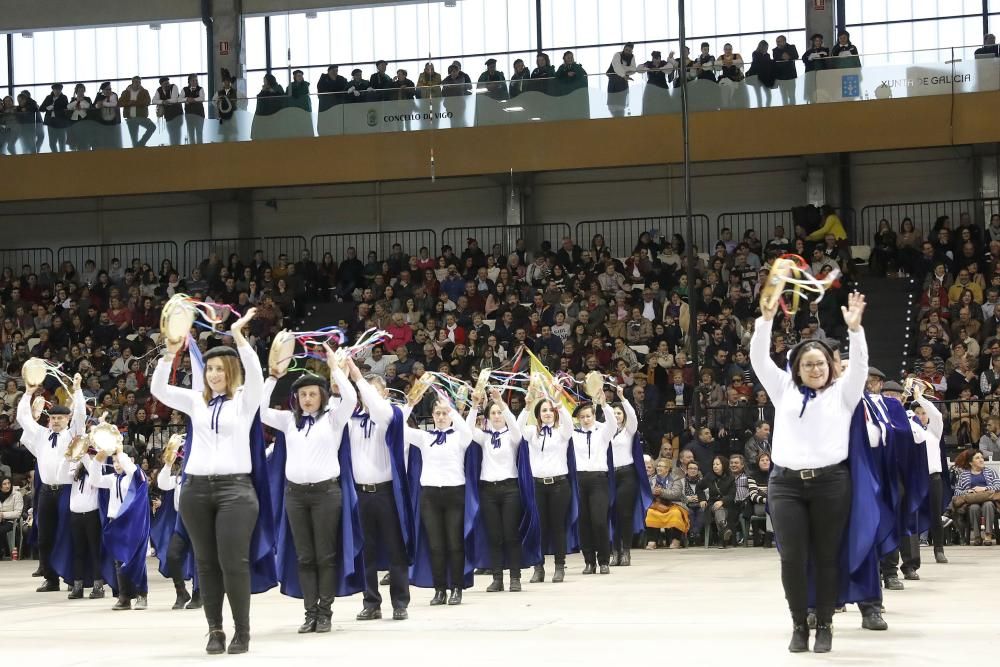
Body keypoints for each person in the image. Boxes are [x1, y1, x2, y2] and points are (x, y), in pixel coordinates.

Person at [750, 291, 868, 653]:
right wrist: (765, 322)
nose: (815, 369)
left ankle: (827, 624)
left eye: (820, 364)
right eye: (807, 364)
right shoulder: (783, 390)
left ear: (830, 366)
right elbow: (758, 359)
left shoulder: (843, 394)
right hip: (785, 485)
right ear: (796, 368)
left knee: (826, 555)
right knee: (792, 557)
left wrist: (855, 331)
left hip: (831, 483)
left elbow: (861, 366)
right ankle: (799, 623)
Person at [151, 308, 269, 655]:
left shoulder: (245, 401)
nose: (214, 373)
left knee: (234, 561)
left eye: (220, 369)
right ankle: (214, 630)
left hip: (236, 490)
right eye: (210, 368)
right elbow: (159, 388)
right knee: (205, 563)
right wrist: (170, 353)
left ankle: (242, 632)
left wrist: (239, 336)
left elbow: (258, 375)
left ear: (230, 371)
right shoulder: (194, 401)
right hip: (196, 490)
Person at [263, 344, 358, 633]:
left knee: (325, 555)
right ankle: (310, 612)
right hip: (295, 495)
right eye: (302, 394)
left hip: (326, 494)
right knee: (304, 556)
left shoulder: (333, 419)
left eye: (312, 394)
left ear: (322, 397)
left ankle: (325, 612)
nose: (307, 399)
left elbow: (352, 398)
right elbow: (256, 410)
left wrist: (335, 370)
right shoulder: (288, 421)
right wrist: (272, 377)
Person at [344, 359, 413, 622]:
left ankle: (400, 602)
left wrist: (358, 376)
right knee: (366, 550)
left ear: (384, 393)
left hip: (386, 492)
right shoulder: (352, 420)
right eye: (365, 392)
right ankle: (371, 602)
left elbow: (377, 408)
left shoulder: (389, 416)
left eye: (374, 391)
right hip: (360, 493)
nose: (367, 396)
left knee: (395, 548)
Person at [16, 373, 85, 592]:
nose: (56, 421)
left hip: (67, 490)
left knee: (69, 533)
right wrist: (27, 393)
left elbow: (81, 416)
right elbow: (23, 418)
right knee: (45, 535)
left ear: (67, 420)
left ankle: (73, 578)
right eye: (53, 418)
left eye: (60, 418)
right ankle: (50, 578)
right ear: (50, 420)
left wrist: (77, 390)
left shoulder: (73, 434)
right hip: (46, 491)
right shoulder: (41, 435)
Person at [404, 397, 474, 606]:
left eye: (445, 413)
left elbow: (468, 431)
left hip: (454, 493)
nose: (442, 417)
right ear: (432, 416)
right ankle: (439, 589)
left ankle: (457, 588)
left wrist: (452, 409)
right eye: (438, 413)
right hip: (430, 495)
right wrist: (409, 404)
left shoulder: (459, 437)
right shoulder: (425, 437)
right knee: (436, 546)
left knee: (454, 543)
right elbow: (399, 428)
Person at [466, 387, 529, 592]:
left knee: (510, 534)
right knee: (494, 536)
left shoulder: (512, 436)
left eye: (499, 412)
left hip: (510, 488)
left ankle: (515, 578)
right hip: (488, 491)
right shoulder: (484, 437)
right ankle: (497, 578)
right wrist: (475, 405)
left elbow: (515, 426)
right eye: (492, 413)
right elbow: (467, 431)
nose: (496, 416)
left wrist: (501, 403)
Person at [518, 387, 575, 584]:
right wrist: (526, 406)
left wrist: (559, 402)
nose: (548, 413)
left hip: (559, 485)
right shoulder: (532, 432)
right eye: (544, 410)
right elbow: (516, 429)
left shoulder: (562, 433)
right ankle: (538, 567)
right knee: (539, 528)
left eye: (551, 410)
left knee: (558, 527)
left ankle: (559, 567)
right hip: (537, 486)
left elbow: (569, 423)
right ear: (538, 415)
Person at [85, 440, 149, 611]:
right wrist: (99, 458)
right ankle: (124, 596)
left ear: (131, 460)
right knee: (118, 561)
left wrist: (120, 452)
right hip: (115, 523)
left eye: (119, 461)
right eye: (113, 461)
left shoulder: (137, 475)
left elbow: (130, 469)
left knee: (135, 560)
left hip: (133, 524)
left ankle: (142, 594)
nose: (116, 464)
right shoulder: (112, 479)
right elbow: (95, 479)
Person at [570, 395, 615, 575]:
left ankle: (603, 560)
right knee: (584, 522)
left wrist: (604, 404)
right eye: (582, 417)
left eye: (588, 416)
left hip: (598, 479)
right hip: (580, 479)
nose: (586, 420)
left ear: (594, 415)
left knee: (599, 521)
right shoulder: (573, 433)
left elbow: (612, 423)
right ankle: (589, 561)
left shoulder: (602, 431)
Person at [152, 445, 201, 610]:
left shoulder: (202, 475)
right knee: (172, 555)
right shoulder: (179, 477)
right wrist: (167, 464)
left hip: (199, 519)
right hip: (182, 520)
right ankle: (181, 592)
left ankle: (198, 593)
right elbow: (163, 483)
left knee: (199, 559)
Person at [54, 447, 106, 600]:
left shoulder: (97, 470)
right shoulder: (77, 472)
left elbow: (94, 471)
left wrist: (85, 457)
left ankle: (98, 586)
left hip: (92, 515)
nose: (86, 455)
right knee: (78, 551)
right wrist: (67, 457)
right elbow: (60, 477)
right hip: (75, 516)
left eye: (90, 453)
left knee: (94, 550)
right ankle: (78, 586)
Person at [608, 386, 652, 564]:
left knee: (625, 514)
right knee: (611, 513)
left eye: (619, 413)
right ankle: (614, 550)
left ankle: (626, 550)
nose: (617, 416)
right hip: (610, 475)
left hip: (627, 474)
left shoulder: (629, 430)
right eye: (614, 413)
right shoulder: (605, 431)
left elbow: (633, 417)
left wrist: (622, 397)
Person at [911, 384, 950, 564]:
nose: (921, 416)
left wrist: (920, 398)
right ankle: (911, 552)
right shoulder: (910, 431)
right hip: (914, 478)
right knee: (912, 513)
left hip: (933, 477)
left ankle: (939, 549)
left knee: (935, 513)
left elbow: (937, 415)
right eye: (917, 413)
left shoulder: (934, 431)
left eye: (923, 413)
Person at [954, 450, 999, 545]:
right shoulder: (964, 474)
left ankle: (988, 535)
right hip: (972, 501)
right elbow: (957, 491)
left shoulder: (990, 471)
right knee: (974, 507)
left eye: (982, 457)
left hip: (988, 499)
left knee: (988, 505)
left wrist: (984, 488)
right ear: (971, 462)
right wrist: (967, 491)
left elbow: (998, 486)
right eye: (978, 458)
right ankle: (977, 536)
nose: (981, 460)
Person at [643, 458, 689, 548]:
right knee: (651, 513)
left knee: (676, 513)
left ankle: (676, 540)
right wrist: (653, 491)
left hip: (674, 504)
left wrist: (662, 492)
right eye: (658, 466)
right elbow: (646, 492)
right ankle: (652, 541)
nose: (658, 468)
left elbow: (676, 494)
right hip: (658, 505)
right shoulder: (653, 479)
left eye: (661, 466)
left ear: (667, 469)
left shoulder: (675, 479)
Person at [696, 456, 736, 548]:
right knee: (718, 508)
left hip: (728, 505)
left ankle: (723, 530)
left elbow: (732, 495)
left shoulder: (731, 478)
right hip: (712, 504)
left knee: (720, 509)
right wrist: (702, 499)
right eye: (713, 464)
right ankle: (724, 533)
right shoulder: (709, 476)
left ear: (724, 465)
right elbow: (699, 487)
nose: (715, 466)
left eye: (717, 464)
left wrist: (722, 501)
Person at [119, 76, 156, 148]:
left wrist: (135, 103)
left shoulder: (144, 91)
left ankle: (140, 144)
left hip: (140, 117)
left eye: (139, 82)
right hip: (130, 118)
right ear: (132, 83)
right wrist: (129, 103)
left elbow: (148, 102)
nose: (138, 84)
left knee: (152, 127)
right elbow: (120, 103)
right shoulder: (126, 92)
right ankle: (139, 146)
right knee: (134, 138)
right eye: (136, 82)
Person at [606, 42, 638, 117]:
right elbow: (617, 67)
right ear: (623, 49)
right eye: (626, 50)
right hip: (613, 81)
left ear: (632, 51)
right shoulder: (617, 55)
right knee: (612, 105)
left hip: (623, 82)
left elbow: (633, 69)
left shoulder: (632, 57)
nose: (627, 52)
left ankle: (621, 121)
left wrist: (622, 68)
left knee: (621, 105)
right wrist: (624, 73)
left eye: (629, 51)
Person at [152, 76, 183, 146]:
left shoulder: (174, 86)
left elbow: (175, 99)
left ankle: (178, 148)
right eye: (165, 83)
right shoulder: (159, 90)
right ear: (161, 85)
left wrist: (163, 101)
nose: (167, 85)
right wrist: (163, 102)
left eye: (168, 83)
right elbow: (153, 101)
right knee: (171, 133)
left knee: (178, 133)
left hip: (178, 114)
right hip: (168, 115)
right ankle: (173, 148)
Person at [40, 83, 70, 152]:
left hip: (61, 122)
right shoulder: (48, 97)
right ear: (53, 90)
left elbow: (65, 108)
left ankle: (62, 157)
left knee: (61, 142)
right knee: (52, 143)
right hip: (51, 122)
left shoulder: (64, 97)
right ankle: (55, 155)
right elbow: (41, 108)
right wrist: (47, 108)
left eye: (59, 89)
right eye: (56, 89)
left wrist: (53, 107)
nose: (57, 91)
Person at [745, 40, 775, 107]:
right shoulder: (755, 53)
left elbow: (768, 64)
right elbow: (759, 63)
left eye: (767, 48)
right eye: (765, 47)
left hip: (765, 77)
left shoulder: (767, 55)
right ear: (761, 47)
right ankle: (760, 109)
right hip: (756, 77)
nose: (766, 49)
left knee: (769, 95)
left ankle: (767, 108)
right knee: (759, 95)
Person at [0, 476, 22, 560]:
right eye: (4, 484)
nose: (7, 486)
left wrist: (3, 515)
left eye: (9, 483)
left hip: (10, 521)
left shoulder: (16, 494)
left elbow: (18, 513)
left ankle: (1, 552)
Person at [212, 75, 239, 142]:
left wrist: (236, 107)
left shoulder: (235, 92)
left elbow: (242, 101)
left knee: (233, 135)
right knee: (224, 135)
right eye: (225, 81)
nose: (226, 83)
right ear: (223, 82)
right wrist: (219, 106)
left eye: (228, 81)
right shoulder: (219, 93)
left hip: (233, 115)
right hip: (223, 115)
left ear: (230, 82)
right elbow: (213, 101)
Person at [183, 74, 206, 144]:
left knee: (199, 133)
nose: (195, 82)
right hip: (189, 115)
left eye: (196, 80)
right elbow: (179, 99)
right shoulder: (184, 89)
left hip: (199, 115)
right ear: (189, 81)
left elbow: (202, 98)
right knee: (191, 134)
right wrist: (187, 99)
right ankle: (192, 151)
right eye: (193, 80)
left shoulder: (200, 89)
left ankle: (200, 151)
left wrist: (193, 100)